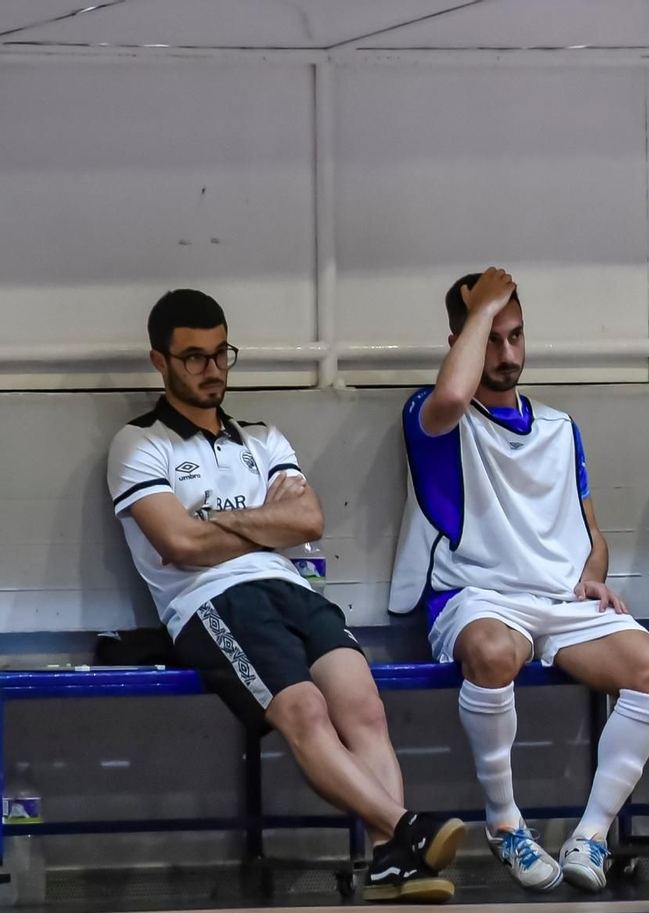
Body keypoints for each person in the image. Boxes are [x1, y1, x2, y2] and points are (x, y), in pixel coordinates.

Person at [107, 290, 463, 903]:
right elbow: (179, 545)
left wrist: (216, 524)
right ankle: (404, 832)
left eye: (221, 354)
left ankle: (389, 861)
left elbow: (309, 522)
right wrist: (258, 521)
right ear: (159, 362)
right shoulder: (139, 445)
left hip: (293, 589)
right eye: (193, 357)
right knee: (305, 713)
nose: (211, 369)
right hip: (211, 603)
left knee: (365, 709)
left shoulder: (265, 438)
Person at [389, 268, 649, 893]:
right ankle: (505, 824)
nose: (508, 353)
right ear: (460, 340)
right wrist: (484, 305)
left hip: (559, 601)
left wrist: (593, 577)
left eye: (516, 336)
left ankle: (592, 836)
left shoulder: (558, 426)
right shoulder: (433, 415)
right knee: (493, 656)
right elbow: (451, 396)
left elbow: (590, 530)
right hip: (477, 597)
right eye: (491, 338)